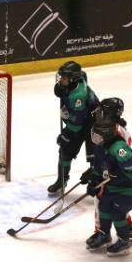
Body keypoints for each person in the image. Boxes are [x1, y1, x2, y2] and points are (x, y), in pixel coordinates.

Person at [83, 113, 132, 256]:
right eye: (94, 136)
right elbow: (99, 168)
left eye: (98, 137)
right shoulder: (100, 147)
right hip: (114, 185)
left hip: (131, 188)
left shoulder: (119, 149)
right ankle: (104, 235)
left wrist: (115, 176)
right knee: (104, 205)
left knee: (117, 213)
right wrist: (94, 180)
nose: (95, 139)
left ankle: (124, 241)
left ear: (107, 135)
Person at [48, 61, 99, 195]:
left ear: (72, 80)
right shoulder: (77, 78)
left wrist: (65, 129)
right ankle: (62, 180)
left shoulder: (78, 97)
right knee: (64, 152)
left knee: (95, 158)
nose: (61, 80)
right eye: (61, 77)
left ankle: (97, 185)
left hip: (93, 126)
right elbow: (83, 74)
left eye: (64, 78)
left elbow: (77, 124)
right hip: (81, 121)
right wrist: (62, 88)